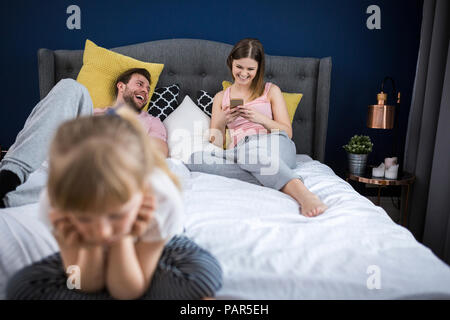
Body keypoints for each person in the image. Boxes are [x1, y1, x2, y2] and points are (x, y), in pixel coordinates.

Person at [6, 108, 222, 300]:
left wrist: (123, 238)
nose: (102, 230)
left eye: (114, 216)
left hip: (152, 243)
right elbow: (83, 283)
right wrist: (89, 247)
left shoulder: (160, 200)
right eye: (85, 217)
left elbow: (129, 291)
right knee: (23, 286)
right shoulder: (59, 203)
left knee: (202, 277)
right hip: (85, 256)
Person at [186, 38, 328, 217]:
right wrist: (222, 120)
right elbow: (216, 142)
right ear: (231, 62)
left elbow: (288, 132)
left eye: (250, 69)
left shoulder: (271, 90)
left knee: (254, 155)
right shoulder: (221, 97)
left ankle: (304, 195)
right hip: (241, 149)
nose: (244, 73)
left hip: (275, 144)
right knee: (194, 159)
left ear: (259, 68)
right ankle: (267, 176)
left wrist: (260, 118)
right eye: (239, 67)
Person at [0, 68, 169, 208]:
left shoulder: (152, 121)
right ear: (121, 86)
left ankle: (7, 198)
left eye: (148, 89)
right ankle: (11, 173)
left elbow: (159, 152)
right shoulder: (90, 110)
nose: (145, 91)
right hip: (71, 149)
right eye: (140, 84)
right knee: (71, 86)